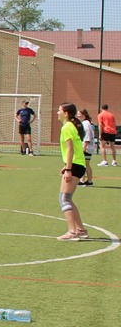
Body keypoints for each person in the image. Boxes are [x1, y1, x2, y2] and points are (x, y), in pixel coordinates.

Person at [56, 103, 89, 241]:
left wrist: (69, 169)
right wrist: (67, 166)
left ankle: (72, 231)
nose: (57, 113)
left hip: (75, 165)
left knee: (64, 198)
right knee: (67, 198)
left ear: (66, 113)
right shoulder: (71, 126)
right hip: (78, 164)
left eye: (59, 110)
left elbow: (70, 149)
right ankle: (81, 230)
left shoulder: (67, 127)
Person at [78, 109, 95, 186]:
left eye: (79, 114)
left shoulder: (85, 124)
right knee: (83, 164)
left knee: (86, 164)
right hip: (86, 146)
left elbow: (87, 136)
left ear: (83, 115)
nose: (78, 115)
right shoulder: (85, 123)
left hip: (87, 147)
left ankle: (89, 181)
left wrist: (84, 147)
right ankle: (82, 180)